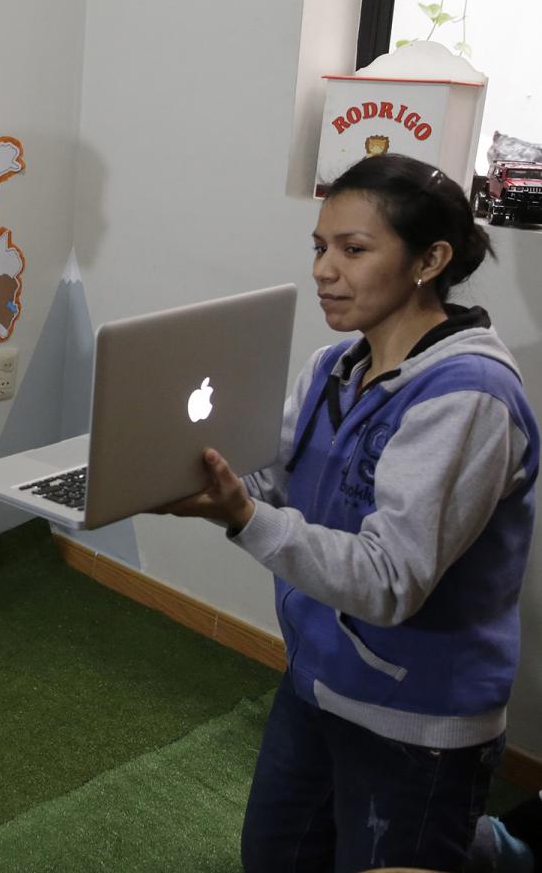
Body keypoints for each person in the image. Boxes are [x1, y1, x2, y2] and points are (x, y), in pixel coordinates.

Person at [163, 153, 539, 872]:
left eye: (354, 250)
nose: (323, 271)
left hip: (420, 721)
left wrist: (243, 518)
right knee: (274, 857)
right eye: (320, 247)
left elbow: (389, 581)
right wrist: (182, 473)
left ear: (430, 260)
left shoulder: (469, 398)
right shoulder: (333, 368)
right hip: (317, 681)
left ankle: (496, 850)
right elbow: (274, 482)